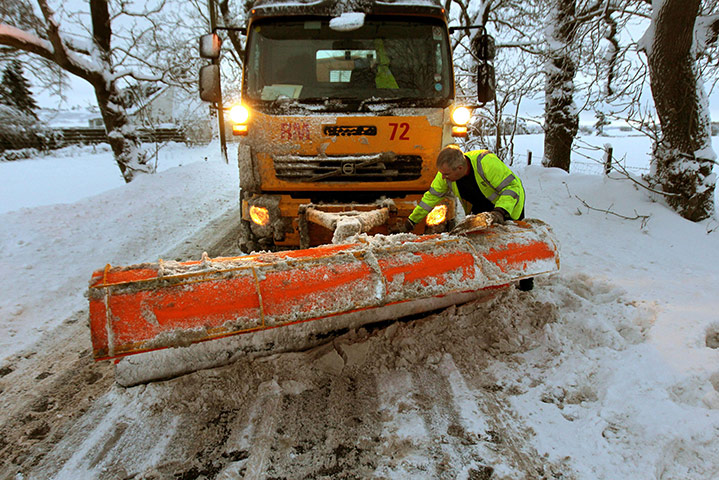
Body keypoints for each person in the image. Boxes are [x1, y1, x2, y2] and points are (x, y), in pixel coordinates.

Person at [404, 144, 534, 291]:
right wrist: (412, 220)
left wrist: (500, 211)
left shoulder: (486, 162)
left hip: (508, 204)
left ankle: (526, 281)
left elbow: (512, 188)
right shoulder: (446, 175)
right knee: (479, 241)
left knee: (516, 243)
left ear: (459, 169)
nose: (442, 177)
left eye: (446, 174)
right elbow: (431, 197)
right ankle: (488, 276)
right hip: (480, 206)